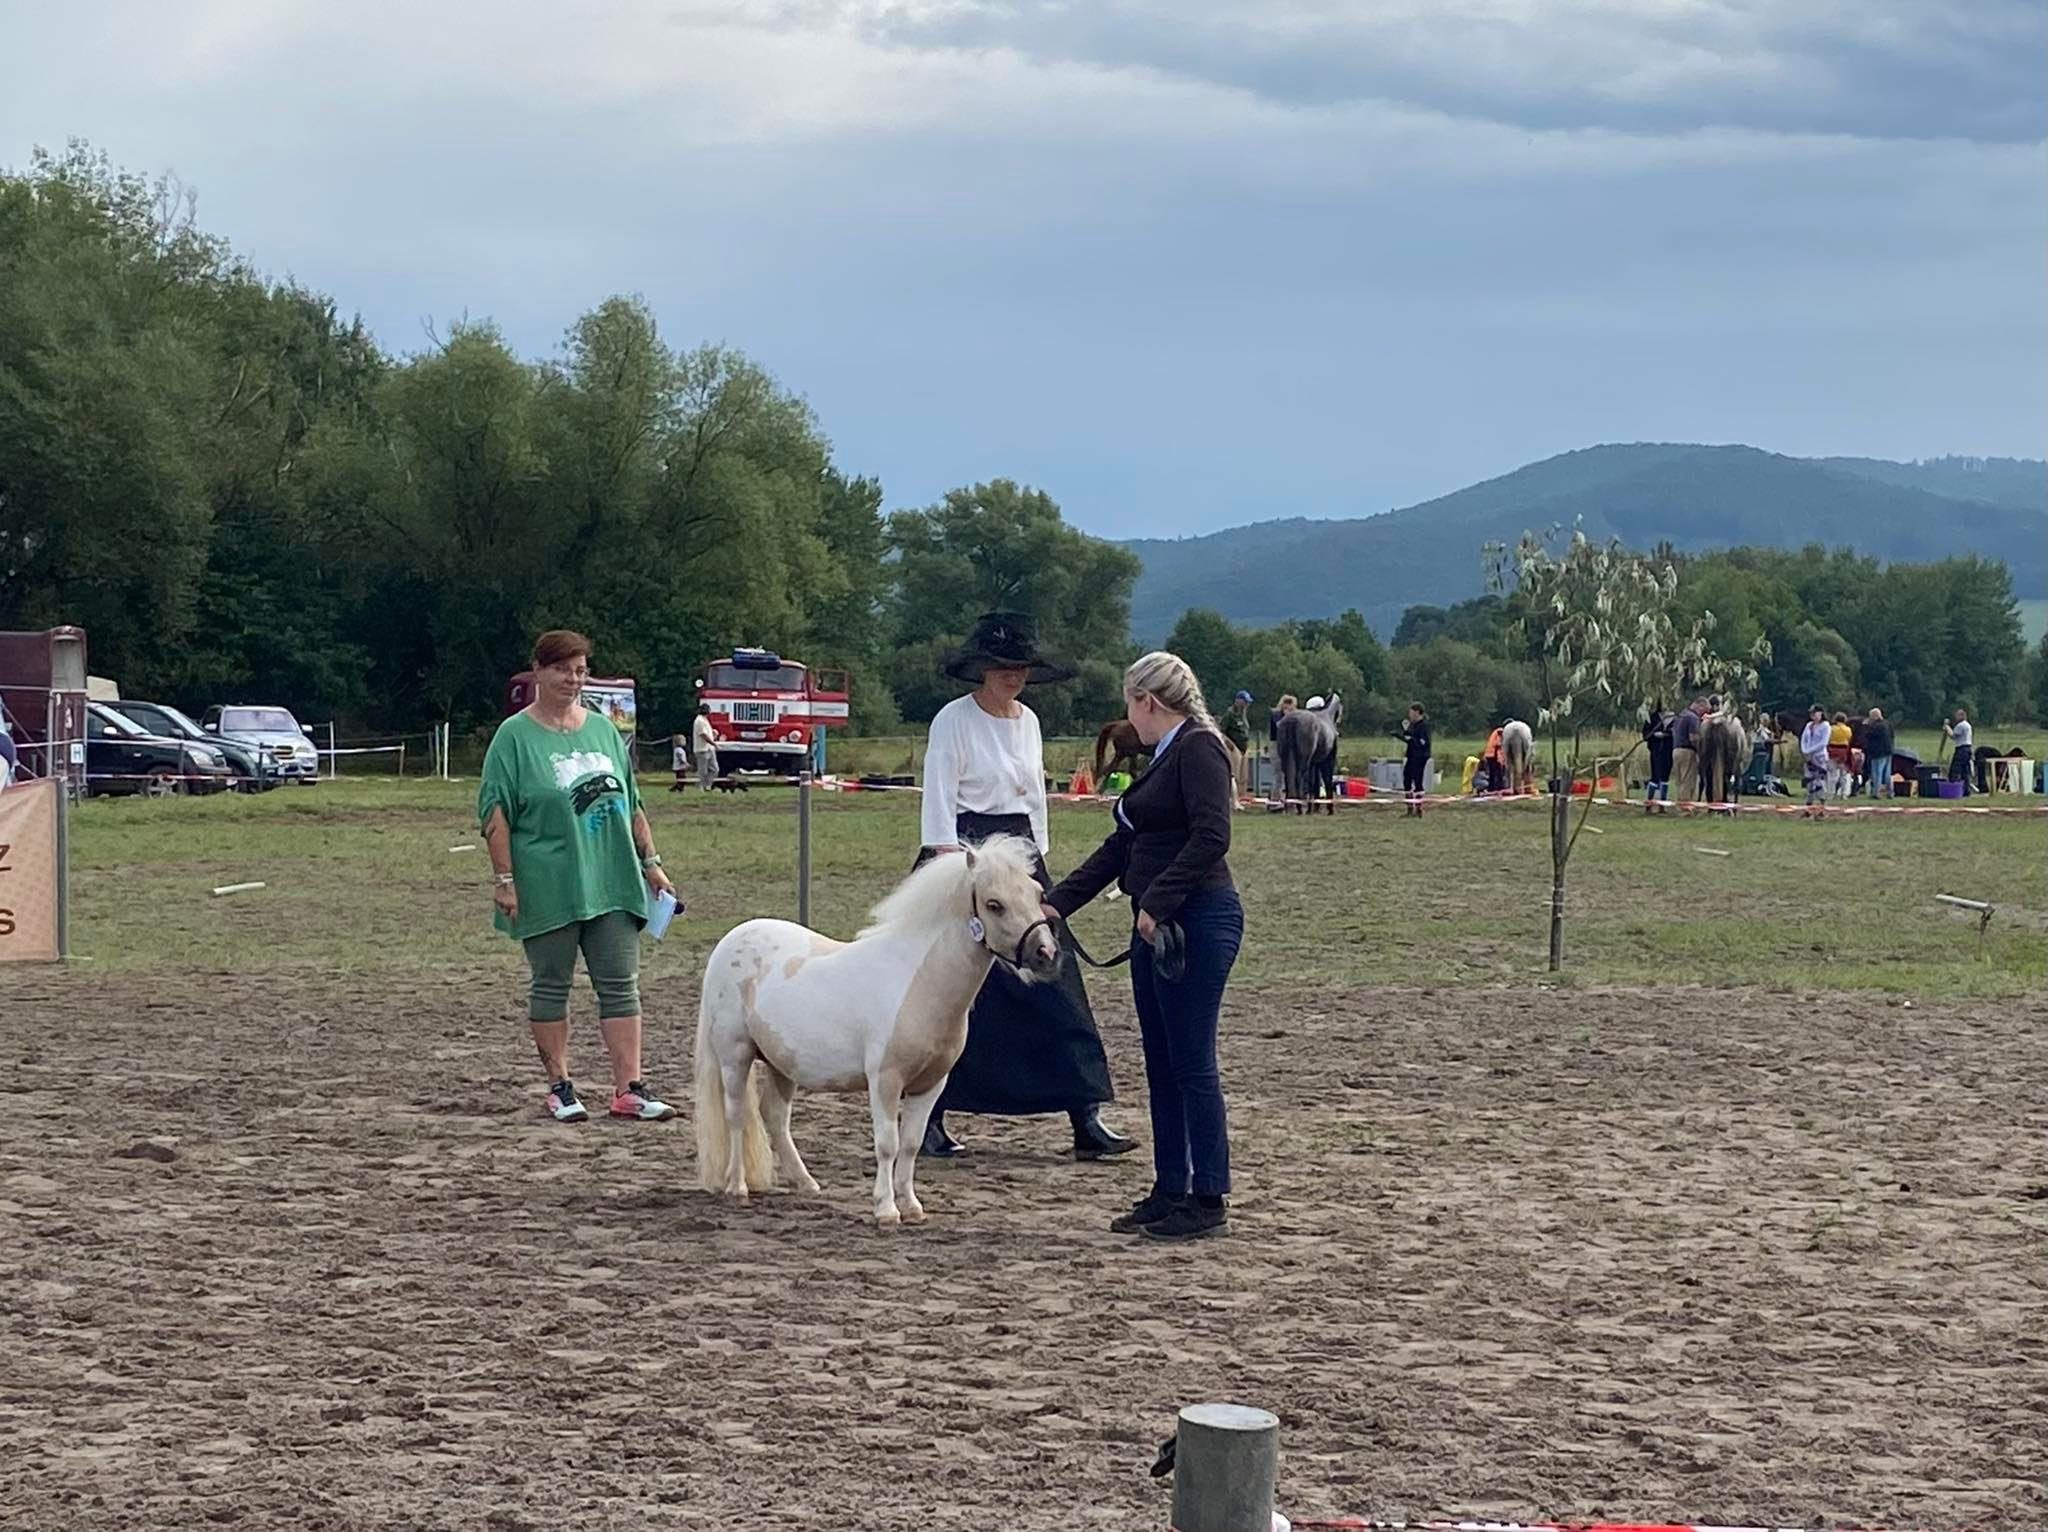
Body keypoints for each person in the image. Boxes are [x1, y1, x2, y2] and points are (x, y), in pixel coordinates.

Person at [917, 612, 1135, 1163]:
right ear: (981, 669)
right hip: (965, 853)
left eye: (1020, 667)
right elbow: (938, 796)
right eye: (1002, 666)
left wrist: (1038, 864)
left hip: (1021, 858)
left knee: (1057, 981)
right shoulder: (952, 720)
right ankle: (929, 1115)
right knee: (951, 992)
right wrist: (949, 865)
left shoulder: (1029, 721)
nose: (1012, 675)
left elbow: (1035, 796)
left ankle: (1085, 1115)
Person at [1046, 651, 1241, 1243]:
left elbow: (1213, 835)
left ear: (1146, 701)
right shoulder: (1166, 756)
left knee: (1191, 1061)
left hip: (1195, 920)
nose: (1127, 716)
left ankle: (1208, 1195)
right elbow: (1120, 846)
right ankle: (1171, 1186)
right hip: (1159, 924)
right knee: (1162, 1060)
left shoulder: (1199, 748)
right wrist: (1055, 904)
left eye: (1128, 703)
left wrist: (1156, 901)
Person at [479, 630, 679, 1123]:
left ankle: (629, 1089)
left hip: (612, 878)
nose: (573, 679)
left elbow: (631, 802)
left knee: (621, 984)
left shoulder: (604, 731)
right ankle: (560, 1086)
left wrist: (651, 863)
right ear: (538, 671)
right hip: (548, 881)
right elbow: (496, 812)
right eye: (563, 669)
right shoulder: (513, 738)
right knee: (552, 984)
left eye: (581, 670)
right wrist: (505, 880)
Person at [1396, 703, 1431, 817]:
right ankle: (1409, 807)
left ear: (1417, 712)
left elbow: (1424, 742)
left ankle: (1418, 808)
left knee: (1417, 780)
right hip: (1411, 756)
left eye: (1411, 712)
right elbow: (1409, 738)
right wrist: (1402, 735)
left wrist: (1412, 739)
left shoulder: (1423, 726)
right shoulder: (1413, 725)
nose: (1410, 715)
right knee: (1407, 779)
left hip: (1420, 757)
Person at [1799, 705, 1831, 819]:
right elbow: (1803, 739)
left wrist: (1809, 750)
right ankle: (1808, 809)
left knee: (1820, 783)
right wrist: (1804, 751)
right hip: (1809, 758)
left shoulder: (1825, 726)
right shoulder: (1808, 725)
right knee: (1809, 783)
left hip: (1820, 757)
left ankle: (1822, 809)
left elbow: (1823, 743)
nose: (1813, 715)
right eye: (1811, 713)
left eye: (1815, 713)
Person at [1670, 696, 1704, 807]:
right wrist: (1700, 750)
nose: (1702, 714)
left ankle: (1680, 804)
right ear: (1699, 705)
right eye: (1703, 710)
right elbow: (1693, 738)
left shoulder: (1681, 715)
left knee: (1679, 780)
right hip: (1687, 752)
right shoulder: (1693, 718)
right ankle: (1686, 808)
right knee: (1687, 781)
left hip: (1676, 750)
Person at [1221, 690, 1253, 799]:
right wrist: (1229, 744)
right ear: (1238, 701)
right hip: (1234, 747)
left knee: (1244, 775)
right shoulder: (1230, 714)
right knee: (1235, 774)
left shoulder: (1244, 714)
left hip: (1244, 747)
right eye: (1245, 701)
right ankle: (1233, 797)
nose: (1247, 704)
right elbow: (1221, 731)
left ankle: (1242, 795)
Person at [1642, 704, 1674, 813]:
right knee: (1655, 777)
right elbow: (1645, 734)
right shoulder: (1652, 718)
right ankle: (1648, 804)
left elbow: (1675, 732)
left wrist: (1666, 734)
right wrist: (1654, 735)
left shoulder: (1674, 718)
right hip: (1655, 751)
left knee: (1665, 778)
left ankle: (1662, 805)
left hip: (1668, 751)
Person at [1862, 707, 1895, 798]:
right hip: (1888, 751)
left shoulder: (1876, 726)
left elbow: (1867, 735)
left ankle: (1876, 792)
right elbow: (1892, 735)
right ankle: (1890, 792)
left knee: (1877, 772)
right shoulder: (1888, 724)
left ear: (1874, 716)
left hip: (1877, 752)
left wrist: (1865, 725)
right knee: (1887, 773)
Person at [690, 702, 719, 791]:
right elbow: (703, 735)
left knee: (715, 769)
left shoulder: (705, 720)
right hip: (701, 749)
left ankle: (707, 785)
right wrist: (713, 743)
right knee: (702, 771)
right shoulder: (699, 721)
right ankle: (701, 787)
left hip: (709, 749)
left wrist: (713, 734)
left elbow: (707, 733)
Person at [1944, 708, 1973, 796]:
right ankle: (1966, 791)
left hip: (1961, 749)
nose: (1955, 717)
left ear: (1961, 716)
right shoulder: (1968, 725)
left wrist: (1947, 727)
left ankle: (1953, 790)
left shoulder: (1961, 725)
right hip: (1968, 748)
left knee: (1954, 770)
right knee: (1965, 771)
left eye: (1957, 715)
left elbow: (1953, 736)